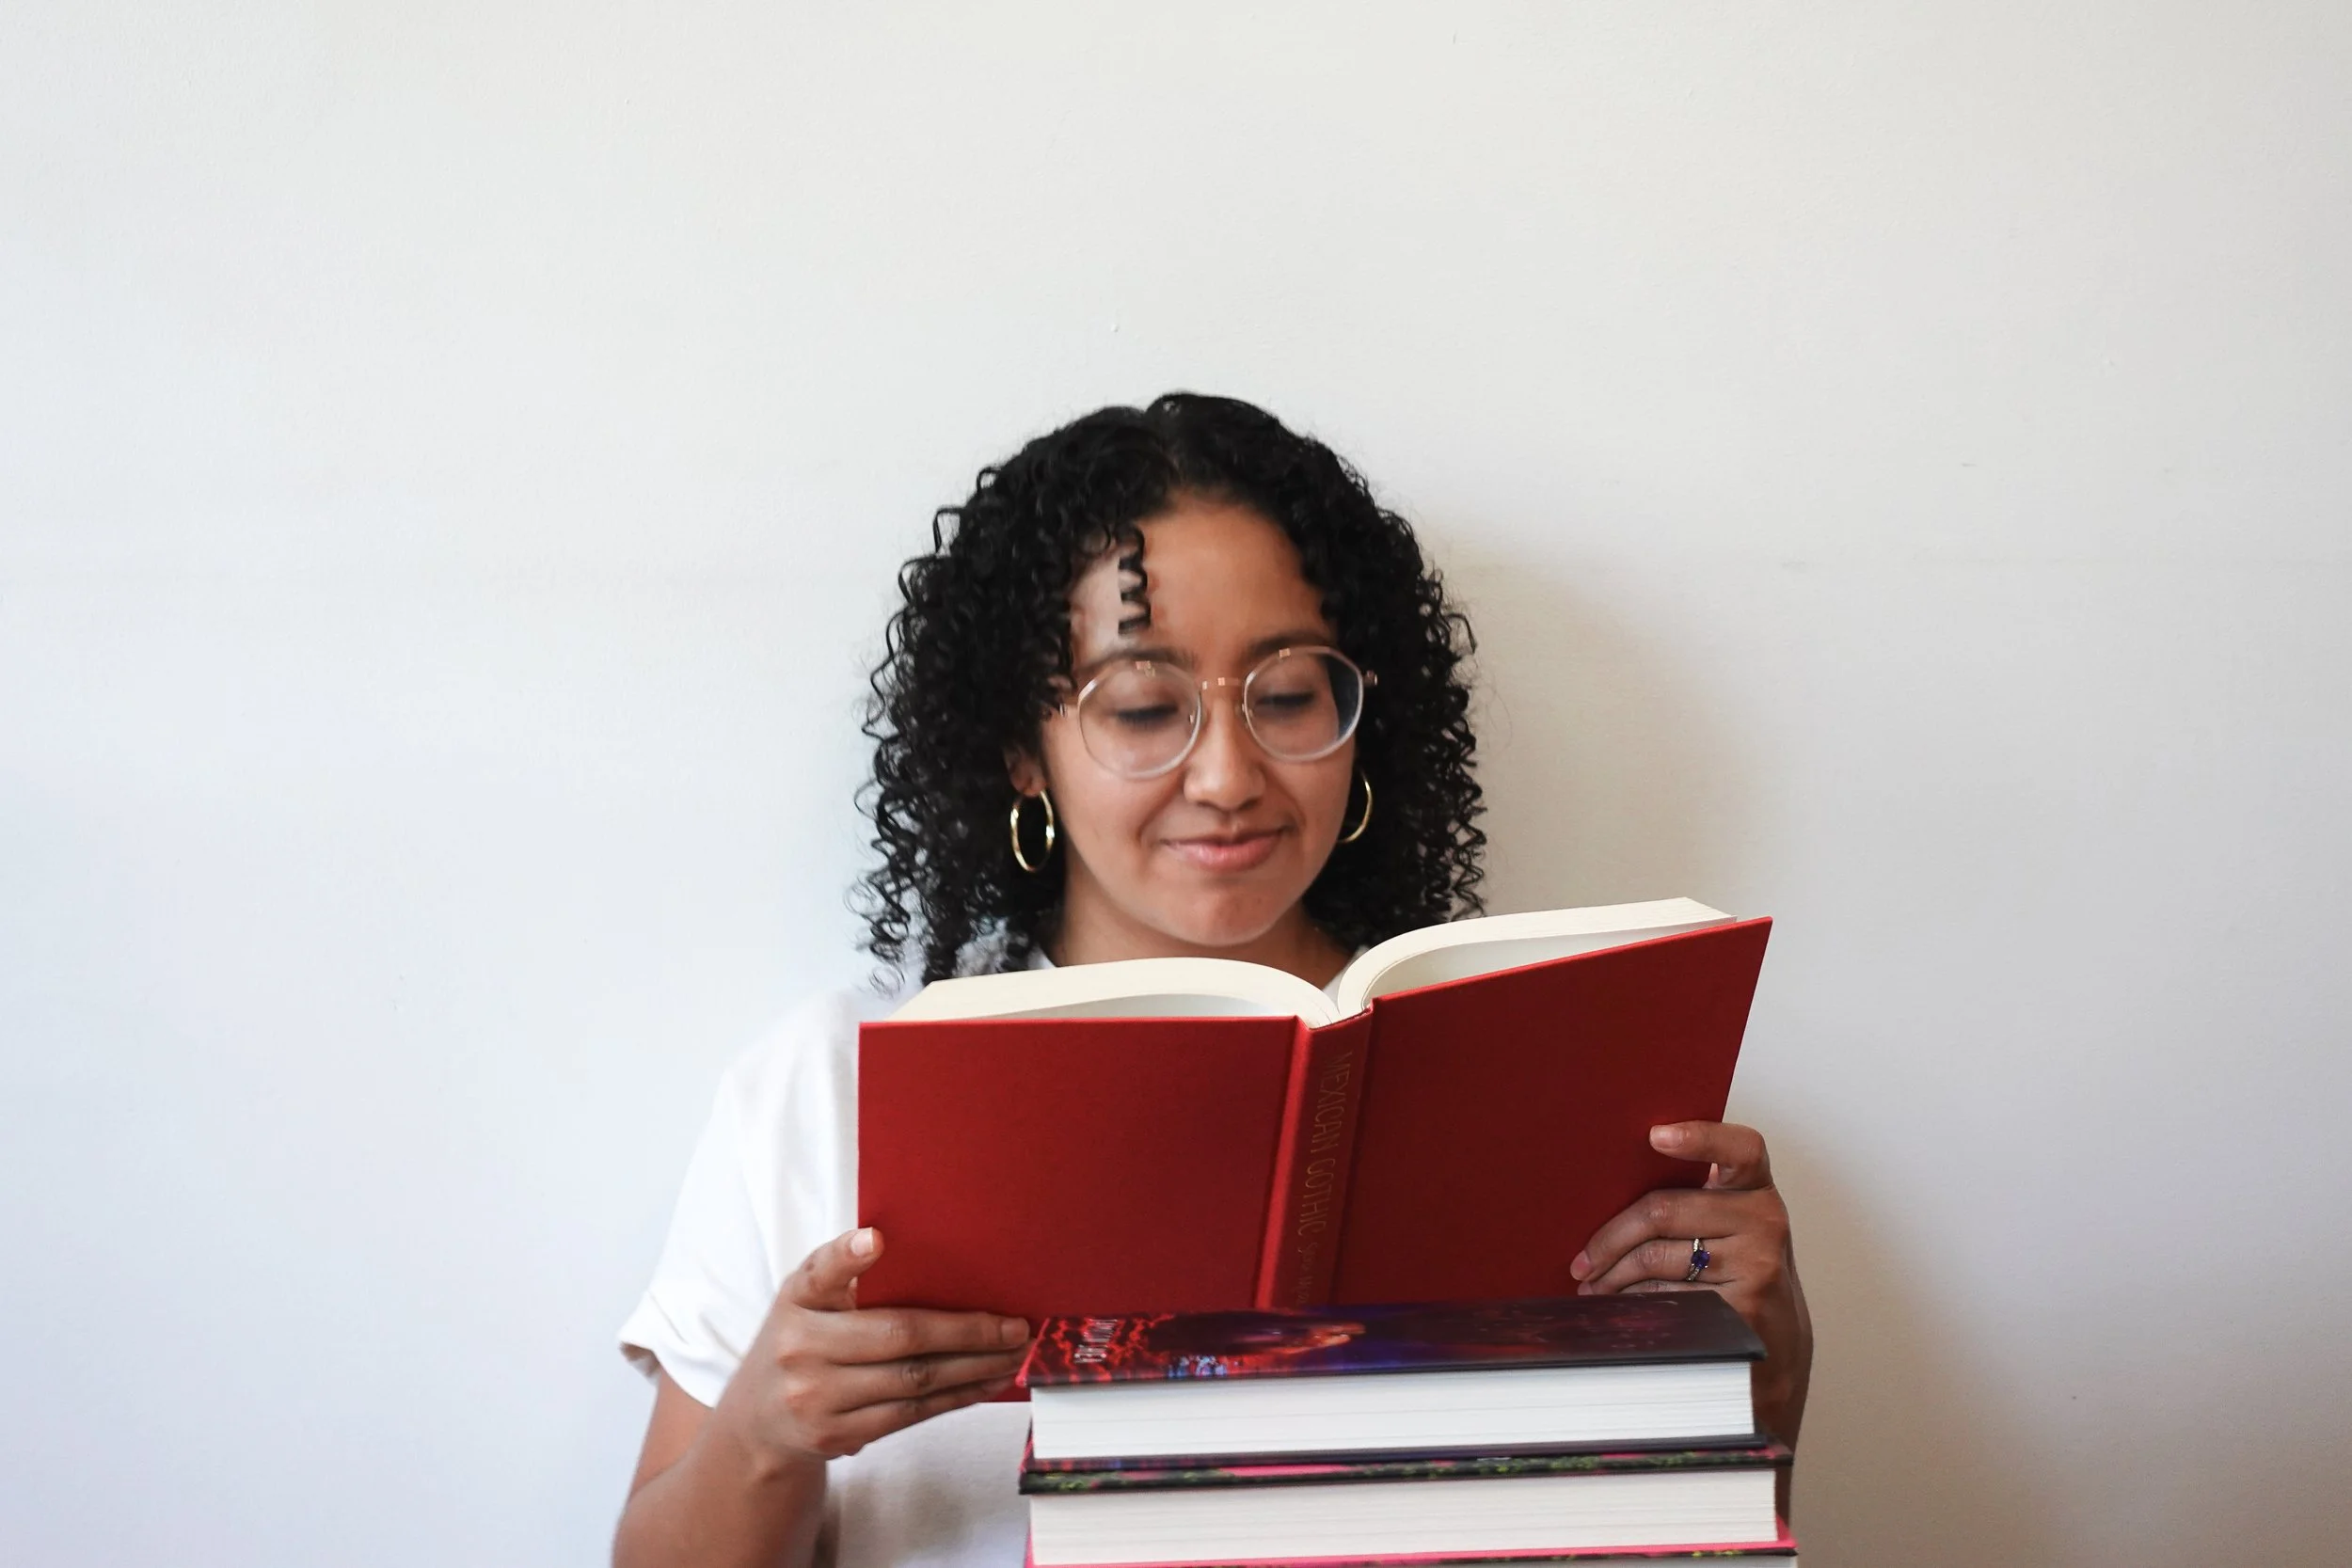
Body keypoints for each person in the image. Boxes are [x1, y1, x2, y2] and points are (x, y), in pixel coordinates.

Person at [610, 394, 1813, 1568]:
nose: (1229, 774)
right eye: (1142, 705)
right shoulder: (830, 1083)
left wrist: (1764, 1376)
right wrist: (768, 1433)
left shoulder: (1556, 1073)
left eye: (1288, 694)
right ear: (1020, 750)